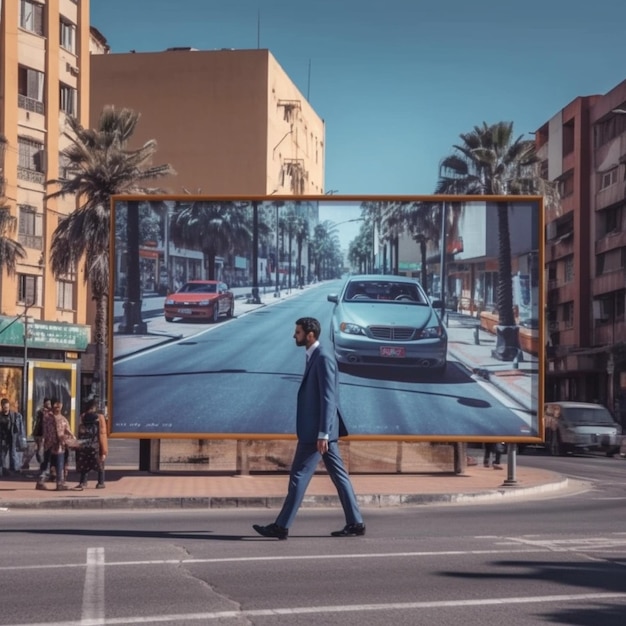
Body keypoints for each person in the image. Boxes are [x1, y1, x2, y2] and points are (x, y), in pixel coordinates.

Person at [253, 317, 365, 540]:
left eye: (298, 332)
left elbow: (328, 398)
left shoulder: (323, 358)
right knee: (339, 476)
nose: (295, 336)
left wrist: (323, 432)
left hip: (317, 433)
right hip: (323, 432)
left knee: (299, 476)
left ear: (310, 334)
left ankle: (281, 526)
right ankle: (355, 522)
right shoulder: (314, 356)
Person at [37, 398, 75, 491]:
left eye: (60, 405)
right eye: (56, 405)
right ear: (52, 406)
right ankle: (41, 482)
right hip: (50, 444)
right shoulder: (48, 417)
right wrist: (42, 442)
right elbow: (45, 430)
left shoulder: (62, 418)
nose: (58, 407)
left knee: (59, 464)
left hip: (59, 445)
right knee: (47, 464)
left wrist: (72, 437)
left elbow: (67, 429)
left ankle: (59, 483)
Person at [74, 399, 108, 490]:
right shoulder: (100, 417)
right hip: (95, 445)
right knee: (100, 464)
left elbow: (79, 431)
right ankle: (100, 482)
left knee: (84, 464)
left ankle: (83, 482)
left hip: (84, 445)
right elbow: (102, 433)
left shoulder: (83, 416)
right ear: (94, 407)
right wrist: (104, 450)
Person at [21, 397, 50, 471]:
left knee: (37, 449)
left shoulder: (47, 412)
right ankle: (41, 464)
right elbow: (40, 422)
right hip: (40, 433)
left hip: (42, 433)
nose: (49, 405)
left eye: (49, 403)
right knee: (38, 449)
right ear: (44, 403)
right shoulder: (42, 412)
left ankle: (28, 463)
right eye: (47, 403)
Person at [0, 398, 25, 476]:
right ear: (2, 407)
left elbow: (20, 428)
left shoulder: (14, 415)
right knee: (2, 454)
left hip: (12, 436)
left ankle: (13, 469)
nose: (6, 409)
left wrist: (22, 438)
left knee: (13, 453)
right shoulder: (0, 416)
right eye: (5, 408)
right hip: (3, 438)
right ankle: (3, 469)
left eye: (7, 407)